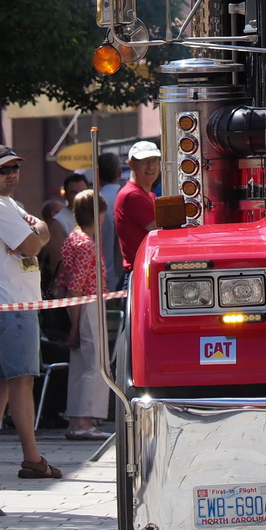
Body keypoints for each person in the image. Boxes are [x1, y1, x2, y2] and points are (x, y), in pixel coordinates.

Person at [0, 144, 62, 481]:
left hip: (2, 303)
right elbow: (35, 245)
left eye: (14, 168)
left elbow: (33, 239)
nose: (11, 175)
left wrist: (37, 231)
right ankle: (32, 458)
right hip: (10, 305)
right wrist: (42, 231)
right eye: (3, 170)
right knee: (22, 383)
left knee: (2, 383)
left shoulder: (2, 203)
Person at [56, 189, 108, 438]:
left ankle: (75, 419)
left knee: (79, 365)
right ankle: (85, 422)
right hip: (88, 305)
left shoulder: (71, 239)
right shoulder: (88, 245)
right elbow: (77, 286)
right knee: (94, 364)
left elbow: (67, 284)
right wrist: (75, 326)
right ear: (98, 216)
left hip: (76, 305)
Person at [114, 141, 161, 279]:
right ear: (131, 164)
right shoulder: (132, 195)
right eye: (144, 161)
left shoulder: (149, 195)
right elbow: (162, 232)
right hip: (140, 273)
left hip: (145, 271)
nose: (151, 166)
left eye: (154, 160)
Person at [97, 153, 124, 291]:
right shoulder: (125, 198)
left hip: (99, 276)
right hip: (120, 273)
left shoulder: (94, 203)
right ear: (120, 173)